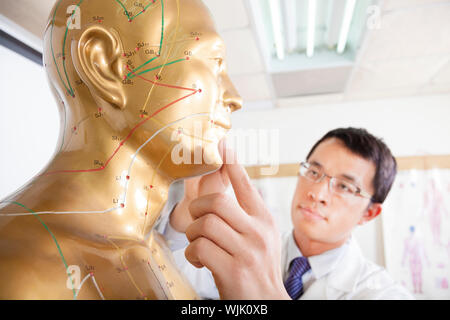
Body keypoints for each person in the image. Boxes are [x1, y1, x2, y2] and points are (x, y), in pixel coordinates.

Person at [0, 0, 241, 299]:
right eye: (213, 61)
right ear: (105, 65)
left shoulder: (156, 251)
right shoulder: (18, 270)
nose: (235, 97)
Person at [159, 127, 415, 299]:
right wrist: (190, 205)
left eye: (345, 186)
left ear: (369, 213)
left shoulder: (381, 292)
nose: (318, 193)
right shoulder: (244, 248)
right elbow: (168, 277)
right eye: (314, 172)